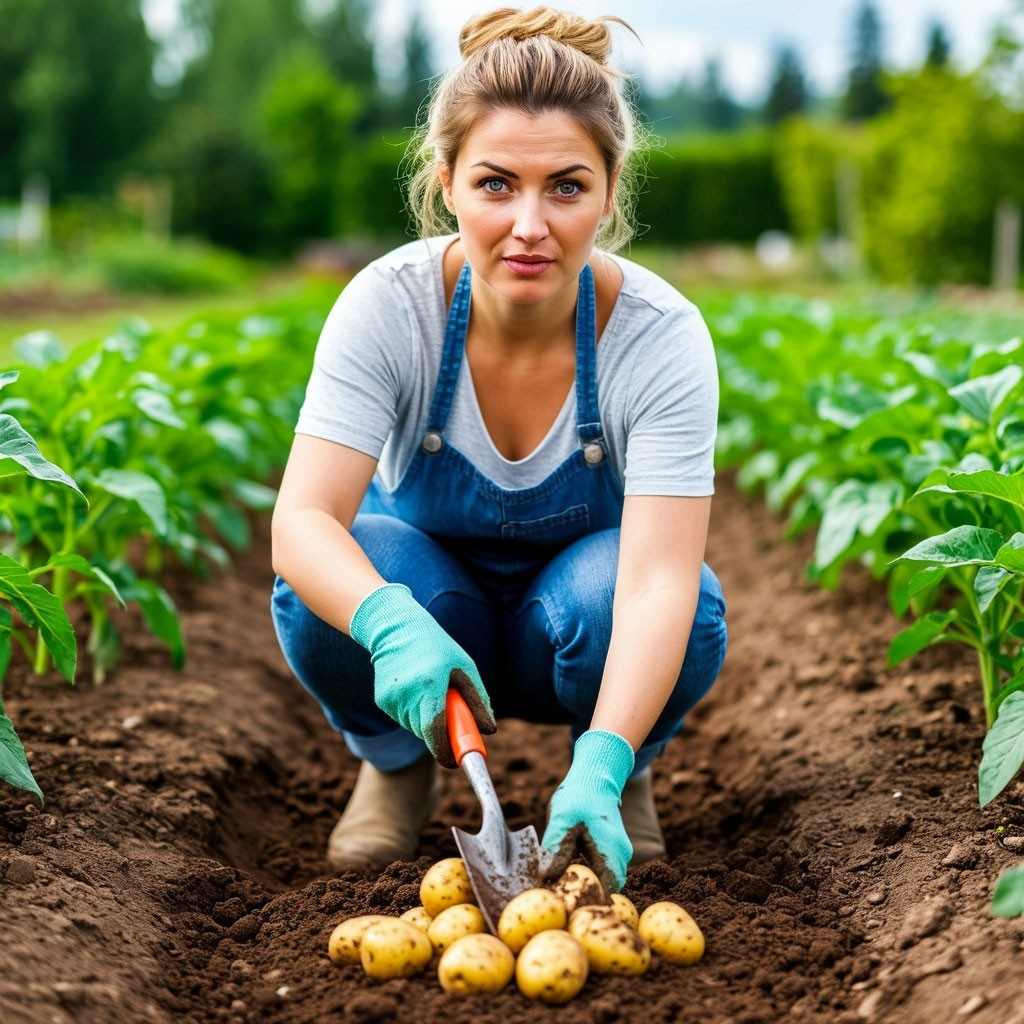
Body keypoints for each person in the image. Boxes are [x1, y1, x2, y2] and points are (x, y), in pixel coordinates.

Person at [270, 5, 727, 895]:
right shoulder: (388, 305)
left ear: (610, 186)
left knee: (683, 604)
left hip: (576, 615)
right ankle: (397, 767)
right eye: (494, 184)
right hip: (439, 605)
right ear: (446, 182)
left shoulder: (661, 335)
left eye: (565, 186)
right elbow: (302, 521)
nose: (529, 225)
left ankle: (618, 779)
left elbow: (661, 578)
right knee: (328, 579)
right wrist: (390, 627)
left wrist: (602, 754)